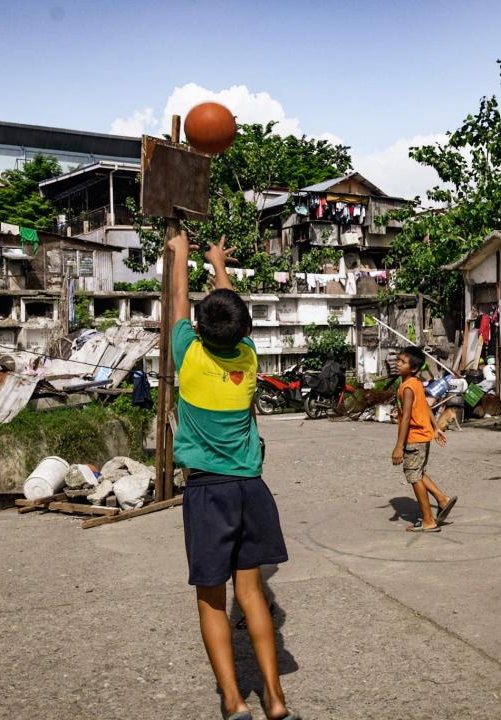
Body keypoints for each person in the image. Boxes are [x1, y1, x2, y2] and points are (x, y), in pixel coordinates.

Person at [166, 231, 300, 720]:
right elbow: (230, 314)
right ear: (242, 330)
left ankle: (233, 700)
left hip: (209, 491)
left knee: (212, 599)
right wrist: (217, 263)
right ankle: (276, 697)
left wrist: (180, 255)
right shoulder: (248, 356)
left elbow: (178, 301)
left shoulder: (188, 354)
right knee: (252, 593)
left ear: (200, 330)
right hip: (252, 491)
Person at [391, 346, 457, 532]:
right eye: (398, 360)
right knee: (417, 471)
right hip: (422, 436)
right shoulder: (416, 382)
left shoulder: (408, 388)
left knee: (413, 476)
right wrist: (436, 428)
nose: (398, 364)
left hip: (414, 438)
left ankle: (428, 520)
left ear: (412, 368)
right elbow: (426, 406)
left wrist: (398, 447)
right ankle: (442, 499)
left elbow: (406, 418)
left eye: (402, 362)